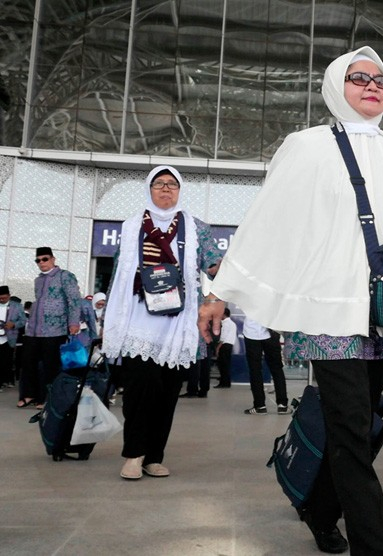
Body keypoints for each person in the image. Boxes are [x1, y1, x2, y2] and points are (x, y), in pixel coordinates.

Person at [200, 46, 383, 555]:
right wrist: (219, 292)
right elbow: (269, 219)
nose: (373, 85)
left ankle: (320, 508)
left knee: (359, 426)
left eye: (381, 79)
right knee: (353, 432)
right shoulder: (308, 146)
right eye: (359, 78)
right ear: (336, 86)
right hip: (330, 310)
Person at [102, 164, 221, 480]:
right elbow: (117, 277)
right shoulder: (131, 228)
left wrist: (222, 281)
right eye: (159, 184)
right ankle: (133, 455)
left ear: (180, 190)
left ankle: (154, 456)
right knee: (139, 391)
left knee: (167, 394)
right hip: (137, 321)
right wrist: (109, 321)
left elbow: (213, 266)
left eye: (172, 184)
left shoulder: (197, 228)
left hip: (177, 324)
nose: (166, 189)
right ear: (149, 189)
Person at [19, 247, 82, 409]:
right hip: (33, 329)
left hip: (55, 329)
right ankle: (29, 394)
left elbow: (74, 300)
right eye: (38, 260)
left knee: (50, 365)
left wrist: (73, 322)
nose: (41, 263)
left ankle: (47, 397)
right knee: (28, 361)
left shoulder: (65, 276)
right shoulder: (38, 280)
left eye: (45, 259)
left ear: (53, 259)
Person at [241, 315, 290, 415]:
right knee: (277, 369)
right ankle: (282, 405)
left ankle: (260, 406)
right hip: (271, 331)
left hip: (251, 332)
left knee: (255, 370)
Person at [0, 286, 27, 391]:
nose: (2, 300)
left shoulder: (17, 306)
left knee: (5, 360)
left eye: (4, 298)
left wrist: (14, 324)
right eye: (0, 298)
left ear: (9, 296)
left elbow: (23, 321)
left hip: (9, 337)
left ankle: (4, 380)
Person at [214, 307, 237, 388]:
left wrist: (218, 348)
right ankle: (227, 382)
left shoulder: (226, 324)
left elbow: (223, 338)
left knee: (223, 365)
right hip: (230, 345)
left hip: (224, 346)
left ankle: (223, 383)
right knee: (227, 365)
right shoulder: (233, 323)